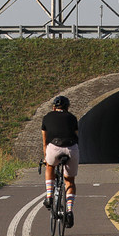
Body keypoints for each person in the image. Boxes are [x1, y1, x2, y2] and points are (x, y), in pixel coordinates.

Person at [41, 94, 79, 228]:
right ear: (67, 107)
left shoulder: (47, 117)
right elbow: (76, 136)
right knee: (70, 180)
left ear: (53, 107)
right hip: (71, 149)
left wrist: (46, 158)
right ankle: (69, 211)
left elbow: (45, 141)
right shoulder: (72, 118)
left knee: (50, 167)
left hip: (54, 148)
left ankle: (50, 196)